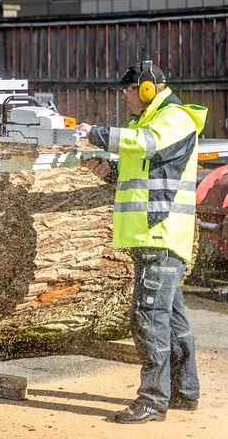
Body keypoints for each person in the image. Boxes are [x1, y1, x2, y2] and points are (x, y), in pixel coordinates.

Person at [76, 61, 206, 424]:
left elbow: (146, 145)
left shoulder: (174, 118)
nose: (124, 94)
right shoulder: (150, 121)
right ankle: (185, 391)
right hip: (156, 236)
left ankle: (152, 399)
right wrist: (110, 170)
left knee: (148, 317)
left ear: (148, 88)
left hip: (159, 235)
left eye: (129, 88)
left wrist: (98, 135)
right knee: (172, 319)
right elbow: (148, 169)